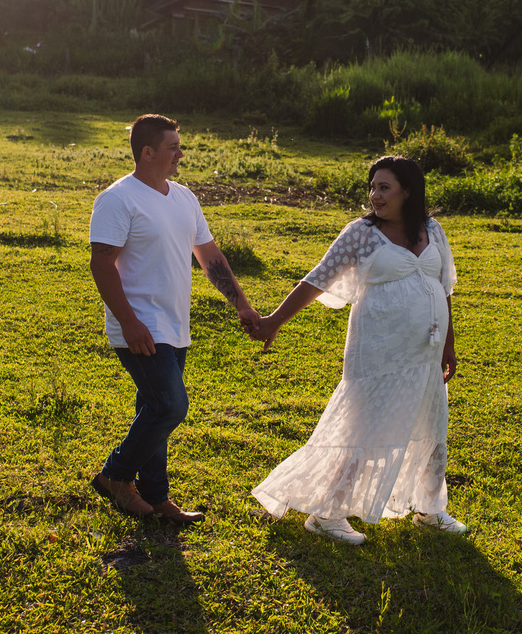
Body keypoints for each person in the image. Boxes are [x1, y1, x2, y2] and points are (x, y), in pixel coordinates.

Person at [250, 156, 466, 544]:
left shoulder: (431, 229)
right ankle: (327, 512)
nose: (375, 195)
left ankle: (430, 507)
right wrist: (274, 320)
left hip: (425, 349)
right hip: (378, 346)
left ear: (408, 191)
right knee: (363, 425)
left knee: (430, 424)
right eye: (373, 187)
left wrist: (449, 343)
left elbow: (444, 286)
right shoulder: (361, 234)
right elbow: (316, 280)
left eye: (384, 187)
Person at [89, 114, 259, 522]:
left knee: (154, 407)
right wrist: (129, 322)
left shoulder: (184, 198)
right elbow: (101, 265)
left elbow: (210, 257)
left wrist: (241, 304)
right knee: (169, 405)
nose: (180, 154)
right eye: (173, 147)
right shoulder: (118, 199)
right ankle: (115, 476)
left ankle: (156, 498)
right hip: (140, 324)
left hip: (175, 324)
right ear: (147, 153)